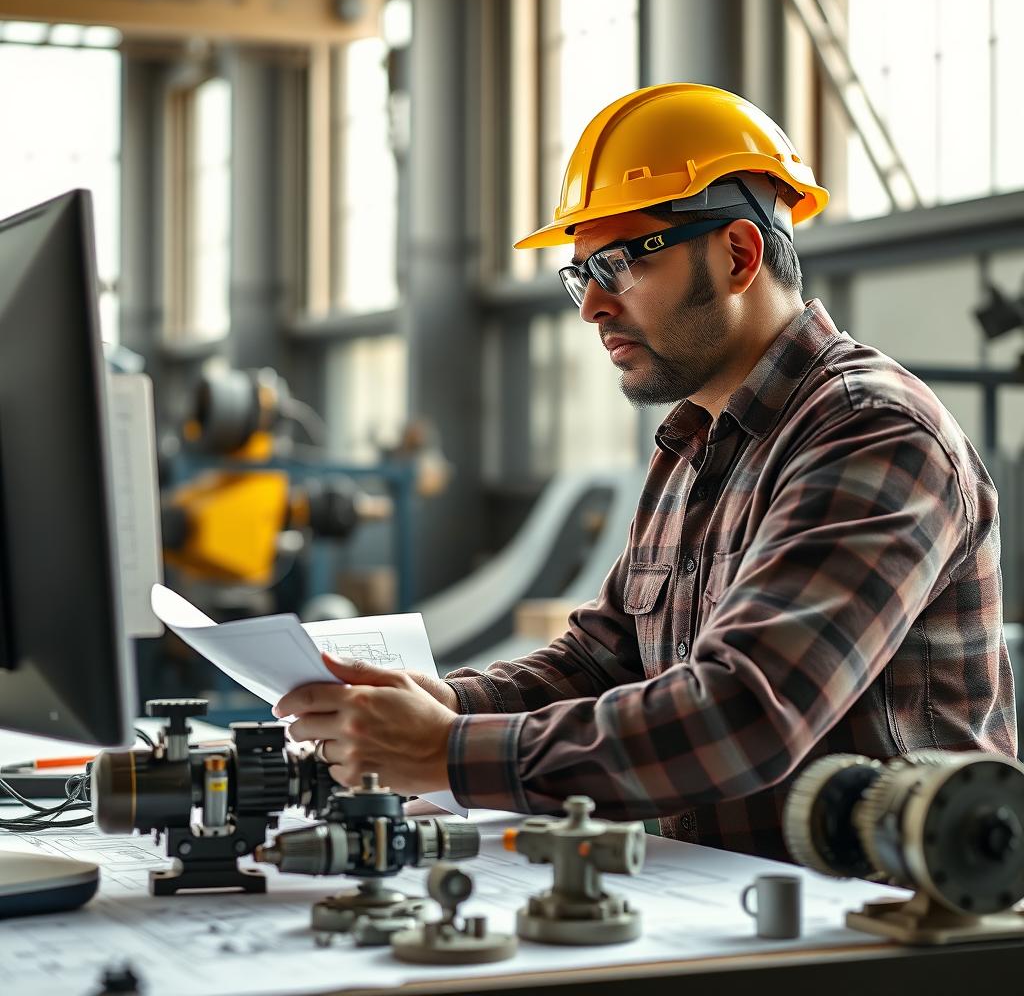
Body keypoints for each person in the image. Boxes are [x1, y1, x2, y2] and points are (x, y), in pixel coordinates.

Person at [274, 83, 1016, 861]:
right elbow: (605, 658)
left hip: (886, 932)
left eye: (619, 264)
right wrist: (449, 702)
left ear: (737, 254)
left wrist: (452, 752)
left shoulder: (870, 430)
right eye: (579, 276)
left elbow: (746, 715)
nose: (591, 306)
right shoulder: (692, 442)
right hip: (725, 909)